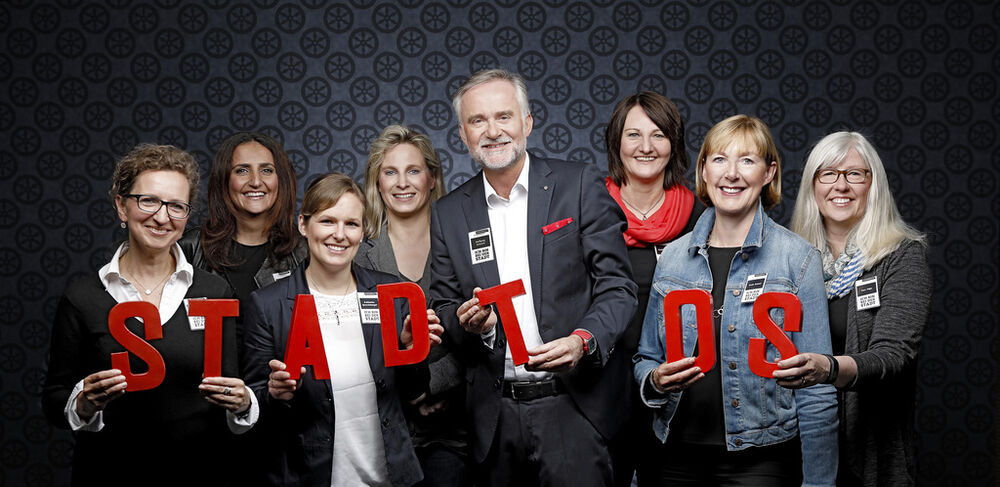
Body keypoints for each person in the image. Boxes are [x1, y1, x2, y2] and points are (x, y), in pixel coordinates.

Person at [430, 68, 637, 486]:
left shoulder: (577, 184)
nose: (492, 131)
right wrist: (475, 324)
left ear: (527, 122)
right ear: (463, 134)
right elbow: (443, 304)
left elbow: (618, 286)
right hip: (495, 415)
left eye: (503, 116)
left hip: (575, 408)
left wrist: (583, 341)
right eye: (478, 121)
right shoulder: (449, 212)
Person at [633, 115, 838, 486]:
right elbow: (647, 357)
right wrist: (655, 381)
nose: (732, 174)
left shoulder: (799, 259)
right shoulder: (674, 258)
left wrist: (819, 482)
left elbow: (816, 386)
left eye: (747, 160)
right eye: (719, 159)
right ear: (704, 172)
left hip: (762, 460)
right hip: (673, 455)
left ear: (768, 172)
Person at [42, 144, 258, 486]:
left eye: (176, 206)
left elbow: (233, 392)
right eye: (149, 201)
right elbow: (54, 400)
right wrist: (84, 403)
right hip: (108, 473)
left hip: (202, 472)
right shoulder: (82, 297)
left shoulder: (214, 292)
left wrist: (245, 403)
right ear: (121, 206)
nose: (162, 216)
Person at [242, 173, 444, 486]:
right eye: (327, 221)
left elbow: (413, 393)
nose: (340, 234)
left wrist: (408, 348)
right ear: (303, 225)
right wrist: (272, 393)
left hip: (391, 476)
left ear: (362, 232)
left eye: (351, 224)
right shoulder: (267, 305)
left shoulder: (391, 294)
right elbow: (253, 404)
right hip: (310, 476)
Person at [777, 132, 929, 486]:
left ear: (872, 184)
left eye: (855, 174)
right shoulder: (789, 259)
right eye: (828, 174)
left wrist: (828, 369)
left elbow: (895, 355)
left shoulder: (901, 256)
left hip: (867, 450)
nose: (840, 186)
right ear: (813, 186)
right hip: (792, 445)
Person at [356, 124, 469, 486]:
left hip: (451, 428)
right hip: (380, 426)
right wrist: (409, 394)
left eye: (413, 170)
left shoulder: (463, 242)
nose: (402, 182)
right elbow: (352, 339)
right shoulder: (358, 251)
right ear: (377, 182)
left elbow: (479, 329)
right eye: (390, 172)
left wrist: (433, 388)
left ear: (432, 178)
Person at [602, 92, 703, 486]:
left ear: (673, 144)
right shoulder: (589, 209)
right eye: (634, 135)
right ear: (616, 142)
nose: (646, 147)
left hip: (680, 385)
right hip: (602, 383)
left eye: (658, 135)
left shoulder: (701, 215)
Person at [179, 131, 306, 337]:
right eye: (242, 171)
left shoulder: (304, 252)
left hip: (277, 369)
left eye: (266, 170)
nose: (256, 181)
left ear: (280, 180)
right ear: (224, 180)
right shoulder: (190, 249)